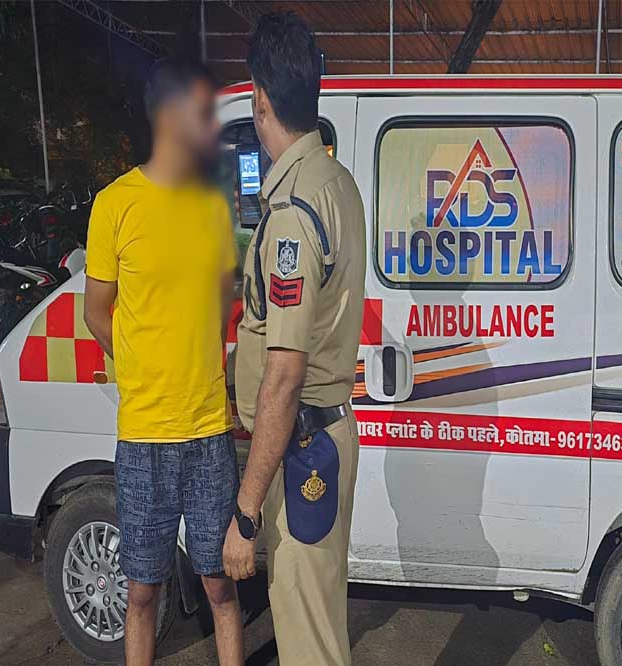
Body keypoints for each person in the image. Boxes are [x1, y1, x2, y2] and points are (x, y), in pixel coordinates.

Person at [83, 59, 243, 666]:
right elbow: (96, 311)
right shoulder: (114, 205)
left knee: (220, 587)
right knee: (142, 593)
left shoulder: (213, 208)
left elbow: (222, 306)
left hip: (207, 431)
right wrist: (141, 364)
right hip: (144, 437)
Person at [222, 12, 366, 666]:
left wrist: (246, 513)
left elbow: (283, 376)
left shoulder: (291, 213)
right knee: (320, 627)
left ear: (259, 98)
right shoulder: (336, 184)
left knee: (308, 643)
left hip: (301, 449)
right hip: (324, 437)